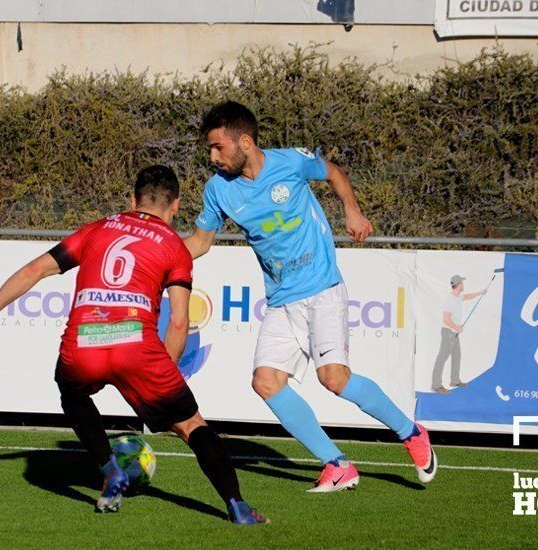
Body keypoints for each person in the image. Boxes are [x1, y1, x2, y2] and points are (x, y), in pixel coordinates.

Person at [0, 165, 268, 524]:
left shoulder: (98, 229)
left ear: (132, 199)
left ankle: (110, 470)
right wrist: (160, 379)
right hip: (138, 350)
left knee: (71, 391)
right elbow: (180, 321)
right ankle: (237, 506)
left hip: (84, 344)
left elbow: (35, 270)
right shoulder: (174, 247)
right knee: (191, 425)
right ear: (176, 206)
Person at [183, 101, 437, 492]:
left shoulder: (291, 162)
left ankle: (411, 432)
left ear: (245, 142)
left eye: (219, 147)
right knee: (266, 382)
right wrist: (157, 256)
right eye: (210, 149)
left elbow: (332, 172)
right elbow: (200, 242)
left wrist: (352, 212)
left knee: (334, 379)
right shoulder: (218, 190)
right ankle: (337, 465)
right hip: (281, 300)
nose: (213, 156)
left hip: (322, 289)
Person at [431, 274, 487, 394]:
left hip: (454, 333)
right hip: (448, 333)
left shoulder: (457, 297)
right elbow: (446, 319)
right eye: (462, 282)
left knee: (457, 356)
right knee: (442, 358)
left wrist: (480, 292)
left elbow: (466, 297)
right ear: (459, 284)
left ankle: (454, 381)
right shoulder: (450, 300)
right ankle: (436, 385)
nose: (463, 284)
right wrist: (457, 327)